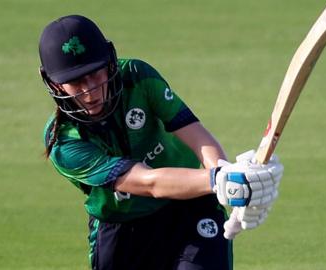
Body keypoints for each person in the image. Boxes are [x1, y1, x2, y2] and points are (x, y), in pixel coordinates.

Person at [38, 15, 283, 270]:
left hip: (189, 205)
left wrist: (225, 176)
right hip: (123, 230)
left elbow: (196, 134)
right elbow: (148, 182)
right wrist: (217, 180)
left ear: (109, 62)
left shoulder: (136, 76)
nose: (89, 91)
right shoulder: (64, 142)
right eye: (76, 81)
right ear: (54, 83)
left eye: (95, 74)